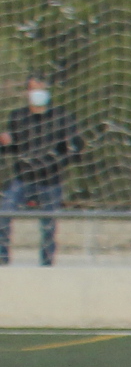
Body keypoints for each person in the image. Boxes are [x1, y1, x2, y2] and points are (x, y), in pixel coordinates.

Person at [1, 74, 88, 263]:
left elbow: (77, 147)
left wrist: (69, 151)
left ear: (47, 92)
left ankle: (47, 262)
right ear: (27, 92)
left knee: (49, 225)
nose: (37, 93)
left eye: (41, 89)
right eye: (33, 89)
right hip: (24, 177)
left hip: (51, 179)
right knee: (4, 213)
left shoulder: (61, 116)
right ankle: (3, 258)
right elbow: (14, 147)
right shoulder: (18, 117)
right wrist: (4, 143)